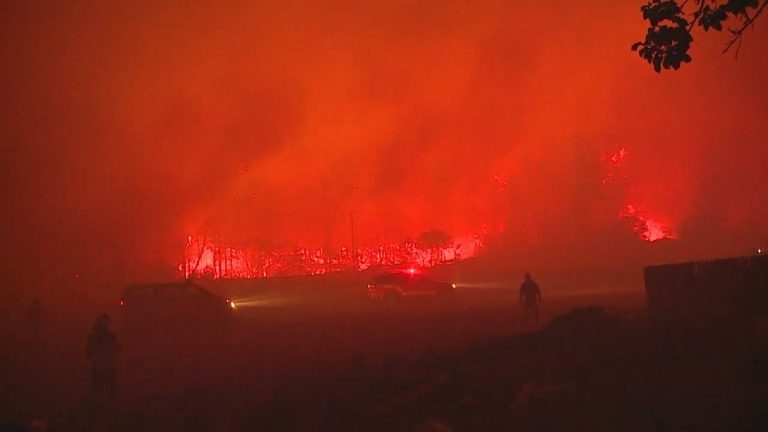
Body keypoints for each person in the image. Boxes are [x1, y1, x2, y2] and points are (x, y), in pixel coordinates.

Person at [86, 313, 121, 398]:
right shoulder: (111, 333)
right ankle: (111, 395)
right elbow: (118, 347)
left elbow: (88, 349)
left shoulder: (94, 333)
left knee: (96, 380)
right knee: (110, 379)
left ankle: (96, 396)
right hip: (108, 362)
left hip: (98, 362)